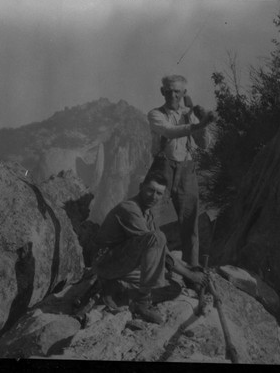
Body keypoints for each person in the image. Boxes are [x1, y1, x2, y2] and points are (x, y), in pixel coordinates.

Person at [92, 171, 208, 324]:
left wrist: (189, 268)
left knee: (173, 288)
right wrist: (190, 275)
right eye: (150, 190)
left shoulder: (148, 214)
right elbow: (155, 244)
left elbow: (163, 250)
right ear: (141, 187)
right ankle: (142, 303)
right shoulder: (129, 208)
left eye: (159, 193)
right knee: (157, 237)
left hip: (125, 265)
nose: (154, 196)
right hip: (106, 262)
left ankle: (117, 293)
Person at [147, 74, 217, 269]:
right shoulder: (155, 114)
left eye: (177, 92)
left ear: (184, 93)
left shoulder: (190, 113)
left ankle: (192, 270)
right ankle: (150, 269)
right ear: (162, 92)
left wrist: (201, 120)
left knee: (190, 224)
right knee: (149, 219)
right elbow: (169, 131)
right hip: (162, 170)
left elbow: (204, 145)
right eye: (168, 91)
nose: (172, 95)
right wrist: (200, 123)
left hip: (187, 170)